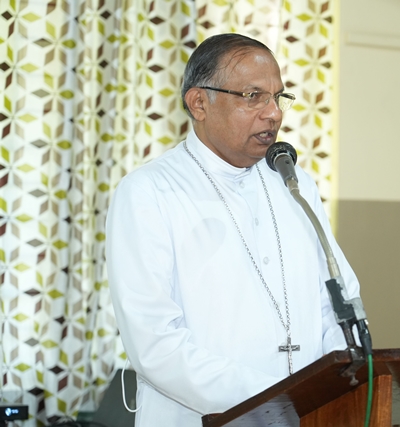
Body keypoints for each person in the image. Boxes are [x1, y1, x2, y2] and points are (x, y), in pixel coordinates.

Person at [105, 33, 361, 426]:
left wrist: (330, 388)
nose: (273, 113)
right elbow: (155, 343)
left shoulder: (294, 184)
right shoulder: (149, 191)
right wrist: (283, 399)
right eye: (253, 96)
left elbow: (337, 303)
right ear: (199, 103)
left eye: (278, 97)